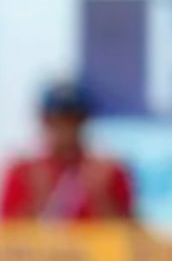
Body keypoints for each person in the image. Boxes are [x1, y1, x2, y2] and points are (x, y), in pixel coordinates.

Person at [0, 83, 135, 223]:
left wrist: (101, 196)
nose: (66, 128)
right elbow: (8, 234)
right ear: (45, 121)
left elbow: (130, 234)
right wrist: (37, 198)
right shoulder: (23, 172)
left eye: (74, 120)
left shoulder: (110, 172)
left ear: (84, 122)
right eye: (58, 120)